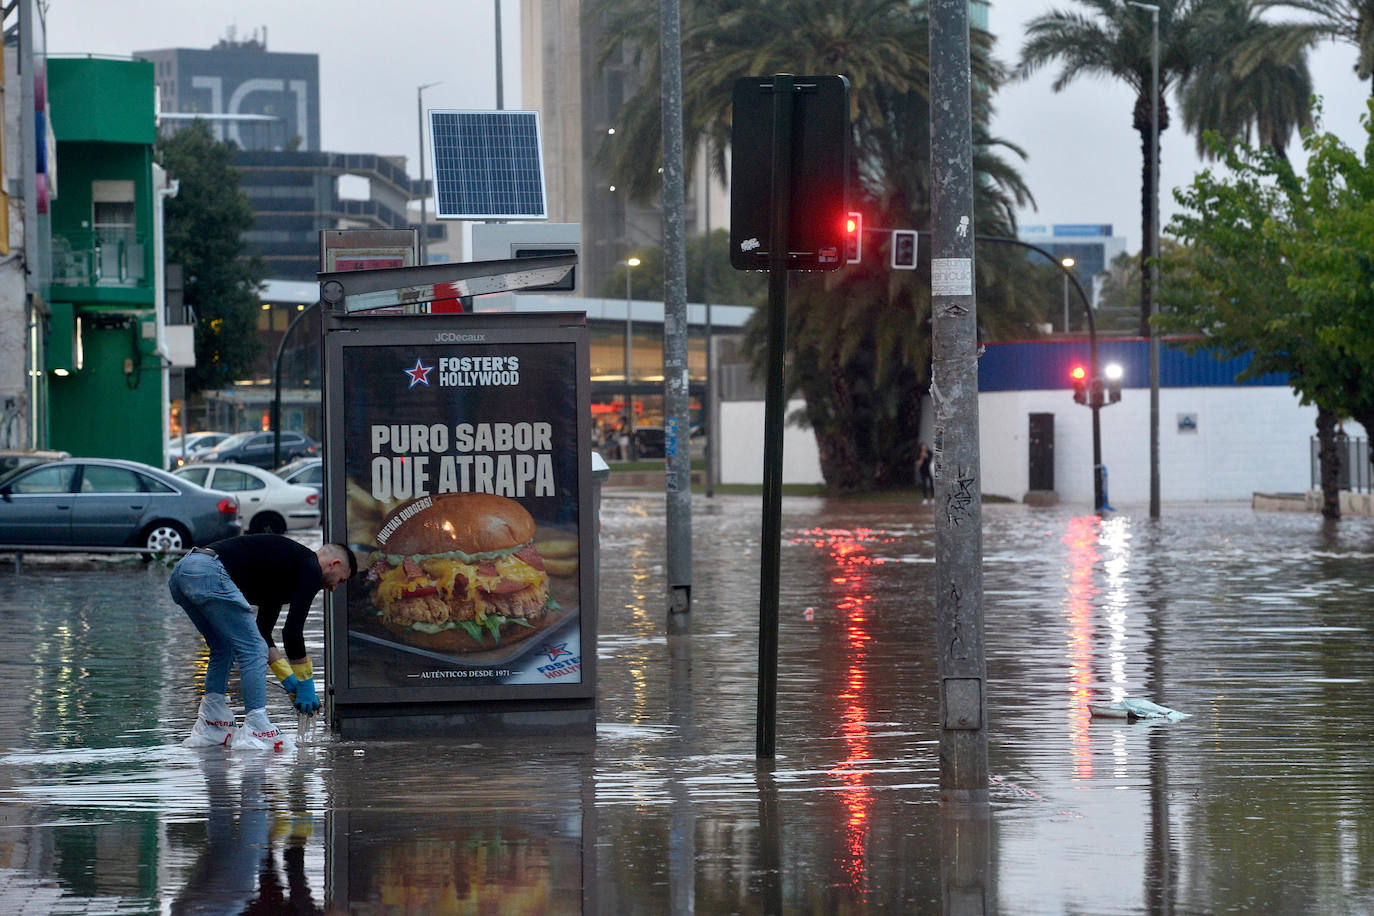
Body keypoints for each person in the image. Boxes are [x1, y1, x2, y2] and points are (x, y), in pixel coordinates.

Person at [170, 534, 355, 751]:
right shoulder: (311, 568)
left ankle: (213, 726)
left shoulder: (284, 572)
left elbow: (263, 634)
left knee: (224, 648)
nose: (334, 588)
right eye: (341, 580)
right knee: (251, 649)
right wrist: (305, 683)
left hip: (183, 571)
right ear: (335, 564)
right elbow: (292, 633)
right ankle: (257, 727)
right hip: (208, 571)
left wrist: (290, 682)